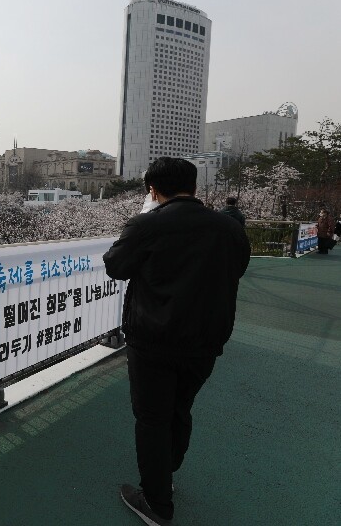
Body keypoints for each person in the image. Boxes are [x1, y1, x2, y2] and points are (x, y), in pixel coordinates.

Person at [103, 157, 251, 525]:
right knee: (180, 409)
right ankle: (165, 475)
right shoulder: (228, 228)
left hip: (153, 340)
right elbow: (240, 267)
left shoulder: (146, 225)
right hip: (205, 339)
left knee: (152, 418)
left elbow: (116, 267)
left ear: (153, 189)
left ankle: (156, 503)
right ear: (194, 187)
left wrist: (142, 220)